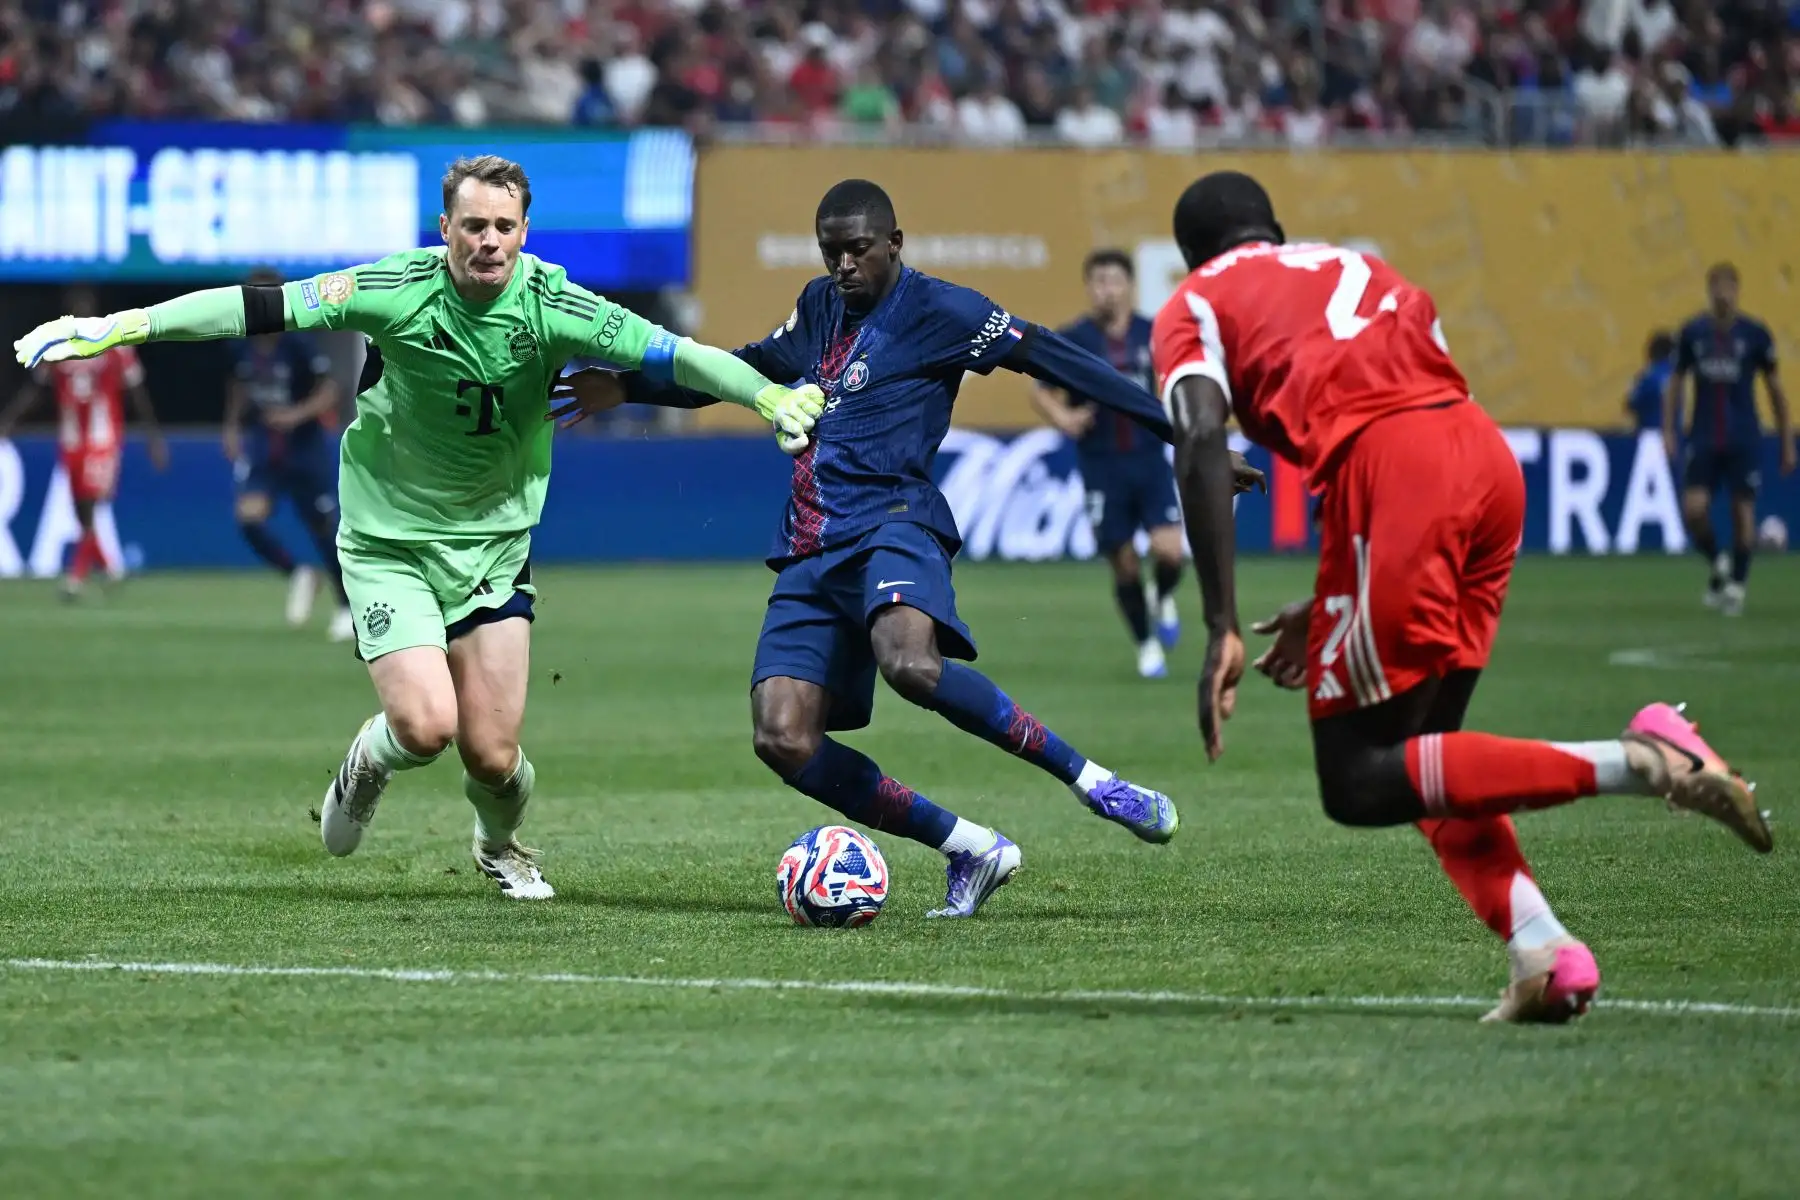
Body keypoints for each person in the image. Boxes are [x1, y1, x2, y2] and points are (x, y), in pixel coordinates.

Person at [13, 155, 825, 900]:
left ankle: (499, 846)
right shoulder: (394, 288)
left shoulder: (555, 305)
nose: (489, 241)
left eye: (504, 227)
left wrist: (768, 399)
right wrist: (120, 326)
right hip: (388, 541)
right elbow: (255, 309)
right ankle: (370, 760)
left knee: (495, 757)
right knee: (426, 725)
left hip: (494, 549)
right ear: (445, 230)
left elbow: (678, 355)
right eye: (473, 225)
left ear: (524, 233)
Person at [1153, 170, 1770, 1024]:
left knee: (1359, 779)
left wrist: (1222, 621)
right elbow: (1406, 400)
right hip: (1480, 457)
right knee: (1423, 761)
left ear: (1189, 257)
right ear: (1279, 229)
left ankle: (1643, 759)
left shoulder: (1193, 303)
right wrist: (1338, 596)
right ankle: (1544, 952)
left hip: (1395, 473)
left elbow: (1198, 441)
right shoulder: (1363, 268)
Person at [564, 179, 1259, 919]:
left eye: (858, 250)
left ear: (895, 244)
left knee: (911, 663)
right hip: (810, 543)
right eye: (830, 251)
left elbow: (1055, 358)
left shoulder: (944, 311)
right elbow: (751, 368)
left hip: (897, 519)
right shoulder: (819, 305)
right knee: (782, 736)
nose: (843, 266)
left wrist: (1184, 434)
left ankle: (1093, 781)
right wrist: (632, 387)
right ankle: (971, 847)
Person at [1031, 249, 1187, 679]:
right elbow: (1040, 390)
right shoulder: (1075, 338)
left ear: (1130, 285)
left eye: (1114, 281)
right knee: (1123, 561)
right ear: (1089, 287)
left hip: (1150, 459)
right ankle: (1146, 644)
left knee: (1170, 552)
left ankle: (1162, 595)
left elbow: (1182, 380)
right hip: (1102, 465)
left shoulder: (1154, 333)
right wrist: (1064, 417)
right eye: (1098, 281)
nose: (1106, 290)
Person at [0, 285, 166, 599]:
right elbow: (37, 390)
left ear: (94, 309)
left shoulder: (115, 342)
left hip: (104, 439)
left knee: (90, 504)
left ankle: (75, 578)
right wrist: (9, 420)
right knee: (81, 511)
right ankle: (111, 568)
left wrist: (153, 437)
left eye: (84, 306)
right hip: (72, 440)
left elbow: (136, 392)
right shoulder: (57, 346)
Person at [223, 267, 353, 641]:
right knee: (248, 518)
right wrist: (231, 426)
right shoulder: (241, 345)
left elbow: (331, 390)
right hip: (265, 445)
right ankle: (298, 573)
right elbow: (238, 385)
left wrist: (296, 415)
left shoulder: (299, 345)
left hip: (304, 448)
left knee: (324, 528)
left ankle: (347, 606)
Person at [1662, 263, 1794, 616]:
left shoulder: (1755, 335)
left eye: (1728, 286)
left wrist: (1786, 441)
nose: (1723, 293)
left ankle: (1736, 584)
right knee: (1693, 510)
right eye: (1716, 286)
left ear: (1737, 290)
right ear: (1709, 291)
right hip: (1703, 436)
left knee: (1742, 512)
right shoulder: (1693, 333)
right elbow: (1675, 384)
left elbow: (1775, 391)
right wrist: (1669, 430)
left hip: (1744, 438)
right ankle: (1719, 560)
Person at [1625, 329, 1674, 433]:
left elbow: (1631, 404)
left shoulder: (1648, 377)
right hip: (1674, 436)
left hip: (1651, 434)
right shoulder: (1676, 377)